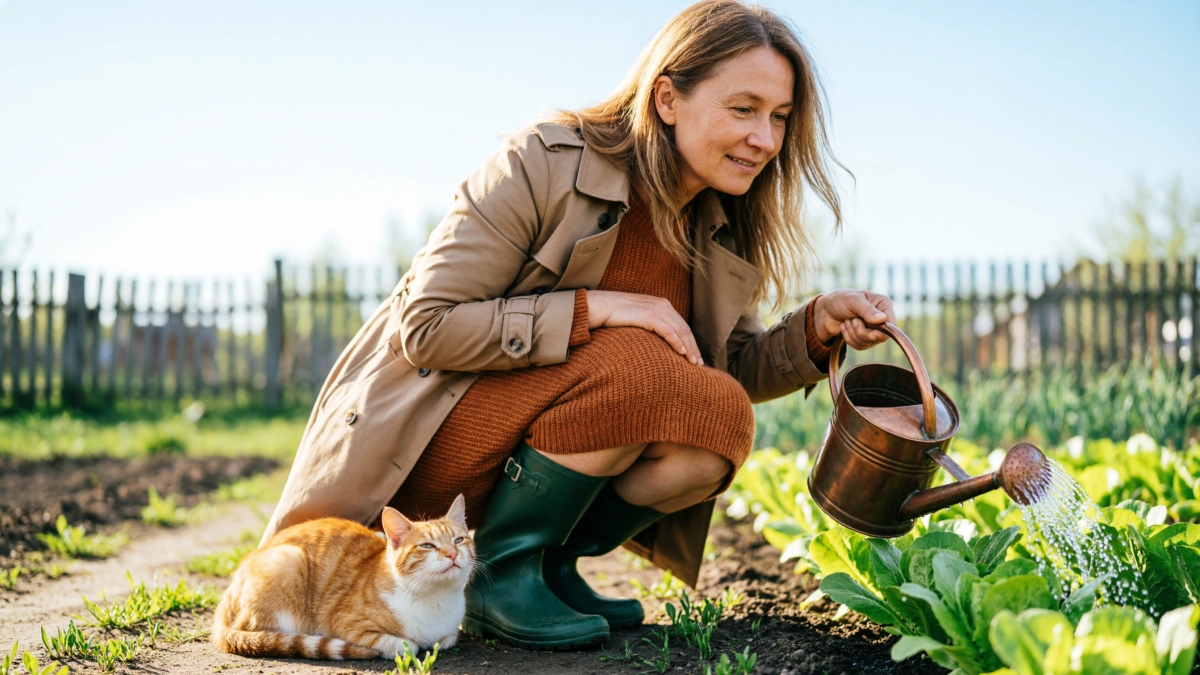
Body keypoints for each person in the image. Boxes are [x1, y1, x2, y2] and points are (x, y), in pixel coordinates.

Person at [262, 0, 896, 652]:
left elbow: (713, 371)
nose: (766, 138)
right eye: (744, 109)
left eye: (780, 118)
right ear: (668, 99)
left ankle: (545, 563)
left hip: (550, 440)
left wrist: (815, 326)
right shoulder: (545, 161)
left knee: (719, 415)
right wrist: (601, 308)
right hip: (433, 471)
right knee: (637, 357)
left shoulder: (716, 224)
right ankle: (496, 572)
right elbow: (425, 326)